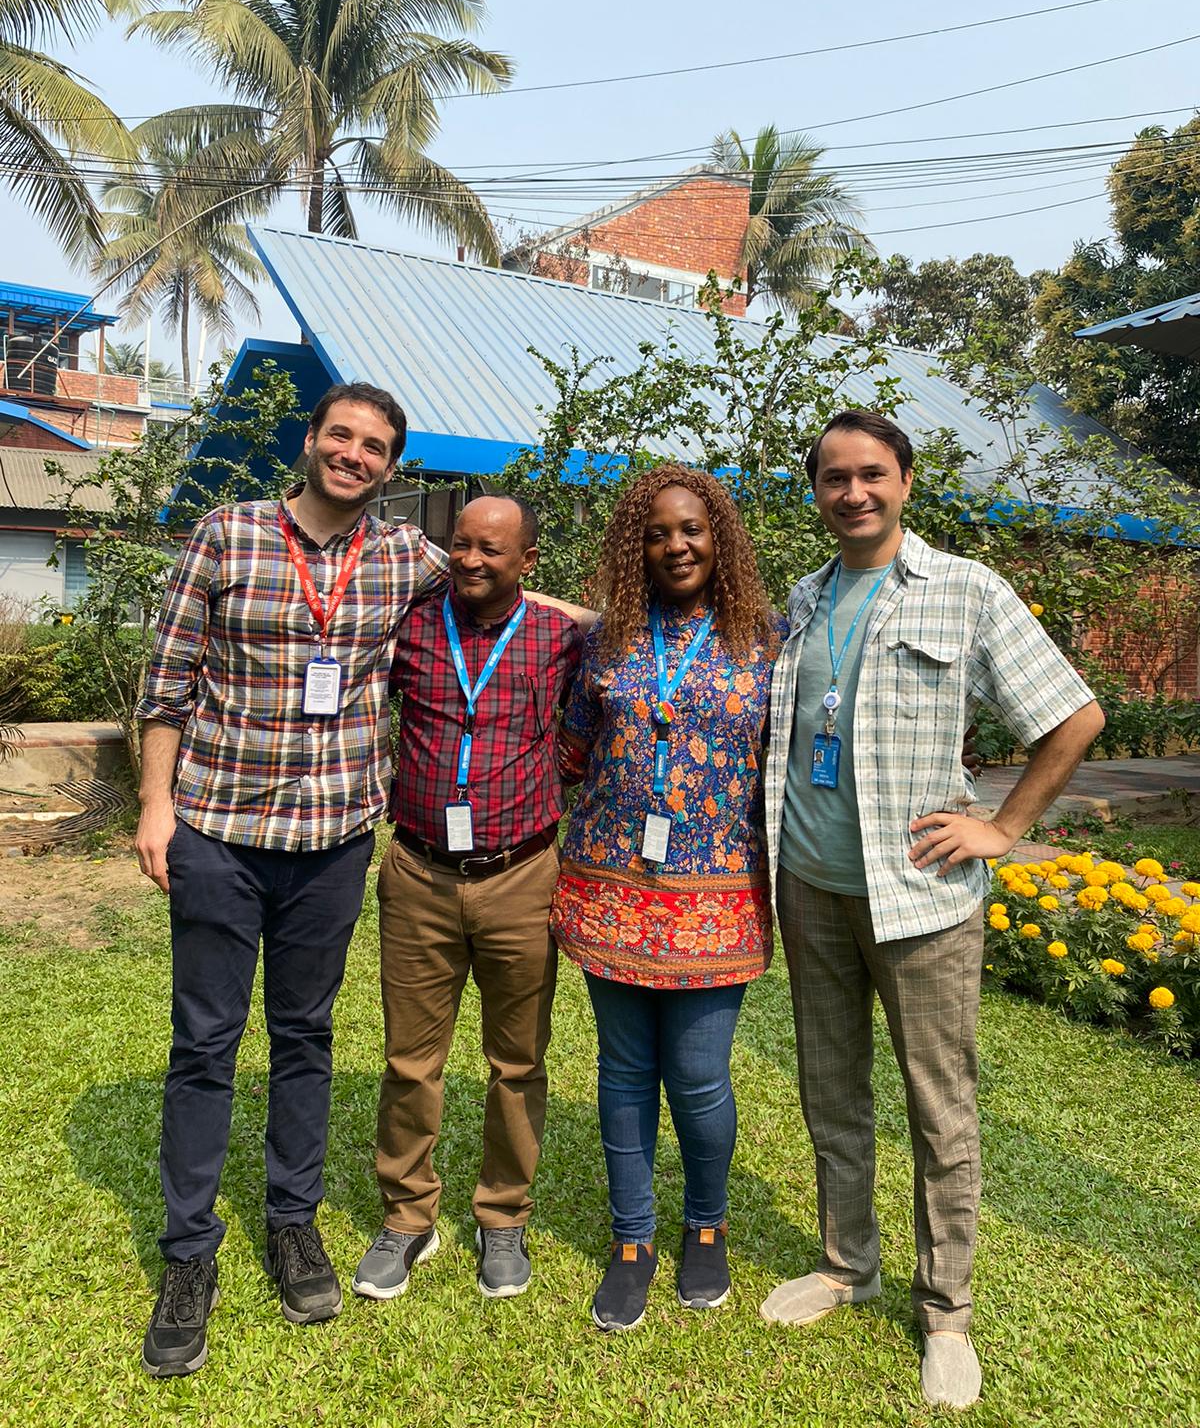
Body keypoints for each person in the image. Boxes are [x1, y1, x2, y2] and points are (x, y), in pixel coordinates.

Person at [760, 410, 1104, 1410]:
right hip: (812, 887)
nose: (854, 492)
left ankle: (945, 1310)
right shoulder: (804, 596)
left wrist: (1004, 826)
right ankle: (845, 1263)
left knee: (938, 1108)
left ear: (905, 481)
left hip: (923, 901)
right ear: (817, 490)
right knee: (833, 1090)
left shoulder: (967, 590)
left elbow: (1075, 714)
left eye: (872, 474)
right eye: (834, 477)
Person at [134, 382, 449, 1378]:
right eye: (342, 437)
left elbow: (500, 585)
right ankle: (189, 1255)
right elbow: (166, 682)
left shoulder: (403, 556)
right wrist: (155, 809)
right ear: (312, 442)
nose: (355, 455)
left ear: (392, 467)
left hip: (333, 840)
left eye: (376, 446)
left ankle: (291, 1224)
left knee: (306, 1035)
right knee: (205, 1043)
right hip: (219, 835)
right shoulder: (228, 534)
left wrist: (626, 616)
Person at [551, 465, 783, 1332]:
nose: (675, 545)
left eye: (691, 529)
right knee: (622, 1073)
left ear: (717, 537)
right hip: (610, 888)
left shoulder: (766, 640)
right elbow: (571, 751)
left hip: (717, 898)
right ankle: (631, 1240)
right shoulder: (606, 641)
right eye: (656, 533)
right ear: (633, 546)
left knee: (697, 1077)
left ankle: (706, 1226)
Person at [352, 495, 584, 1306]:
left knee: (516, 1062)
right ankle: (408, 1217)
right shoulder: (409, 625)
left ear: (527, 563)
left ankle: (503, 1216)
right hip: (417, 873)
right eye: (462, 545)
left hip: (522, 876)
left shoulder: (561, 637)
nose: (473, 561)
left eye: (494, 550)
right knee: (410, 1061)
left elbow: (611, 668)